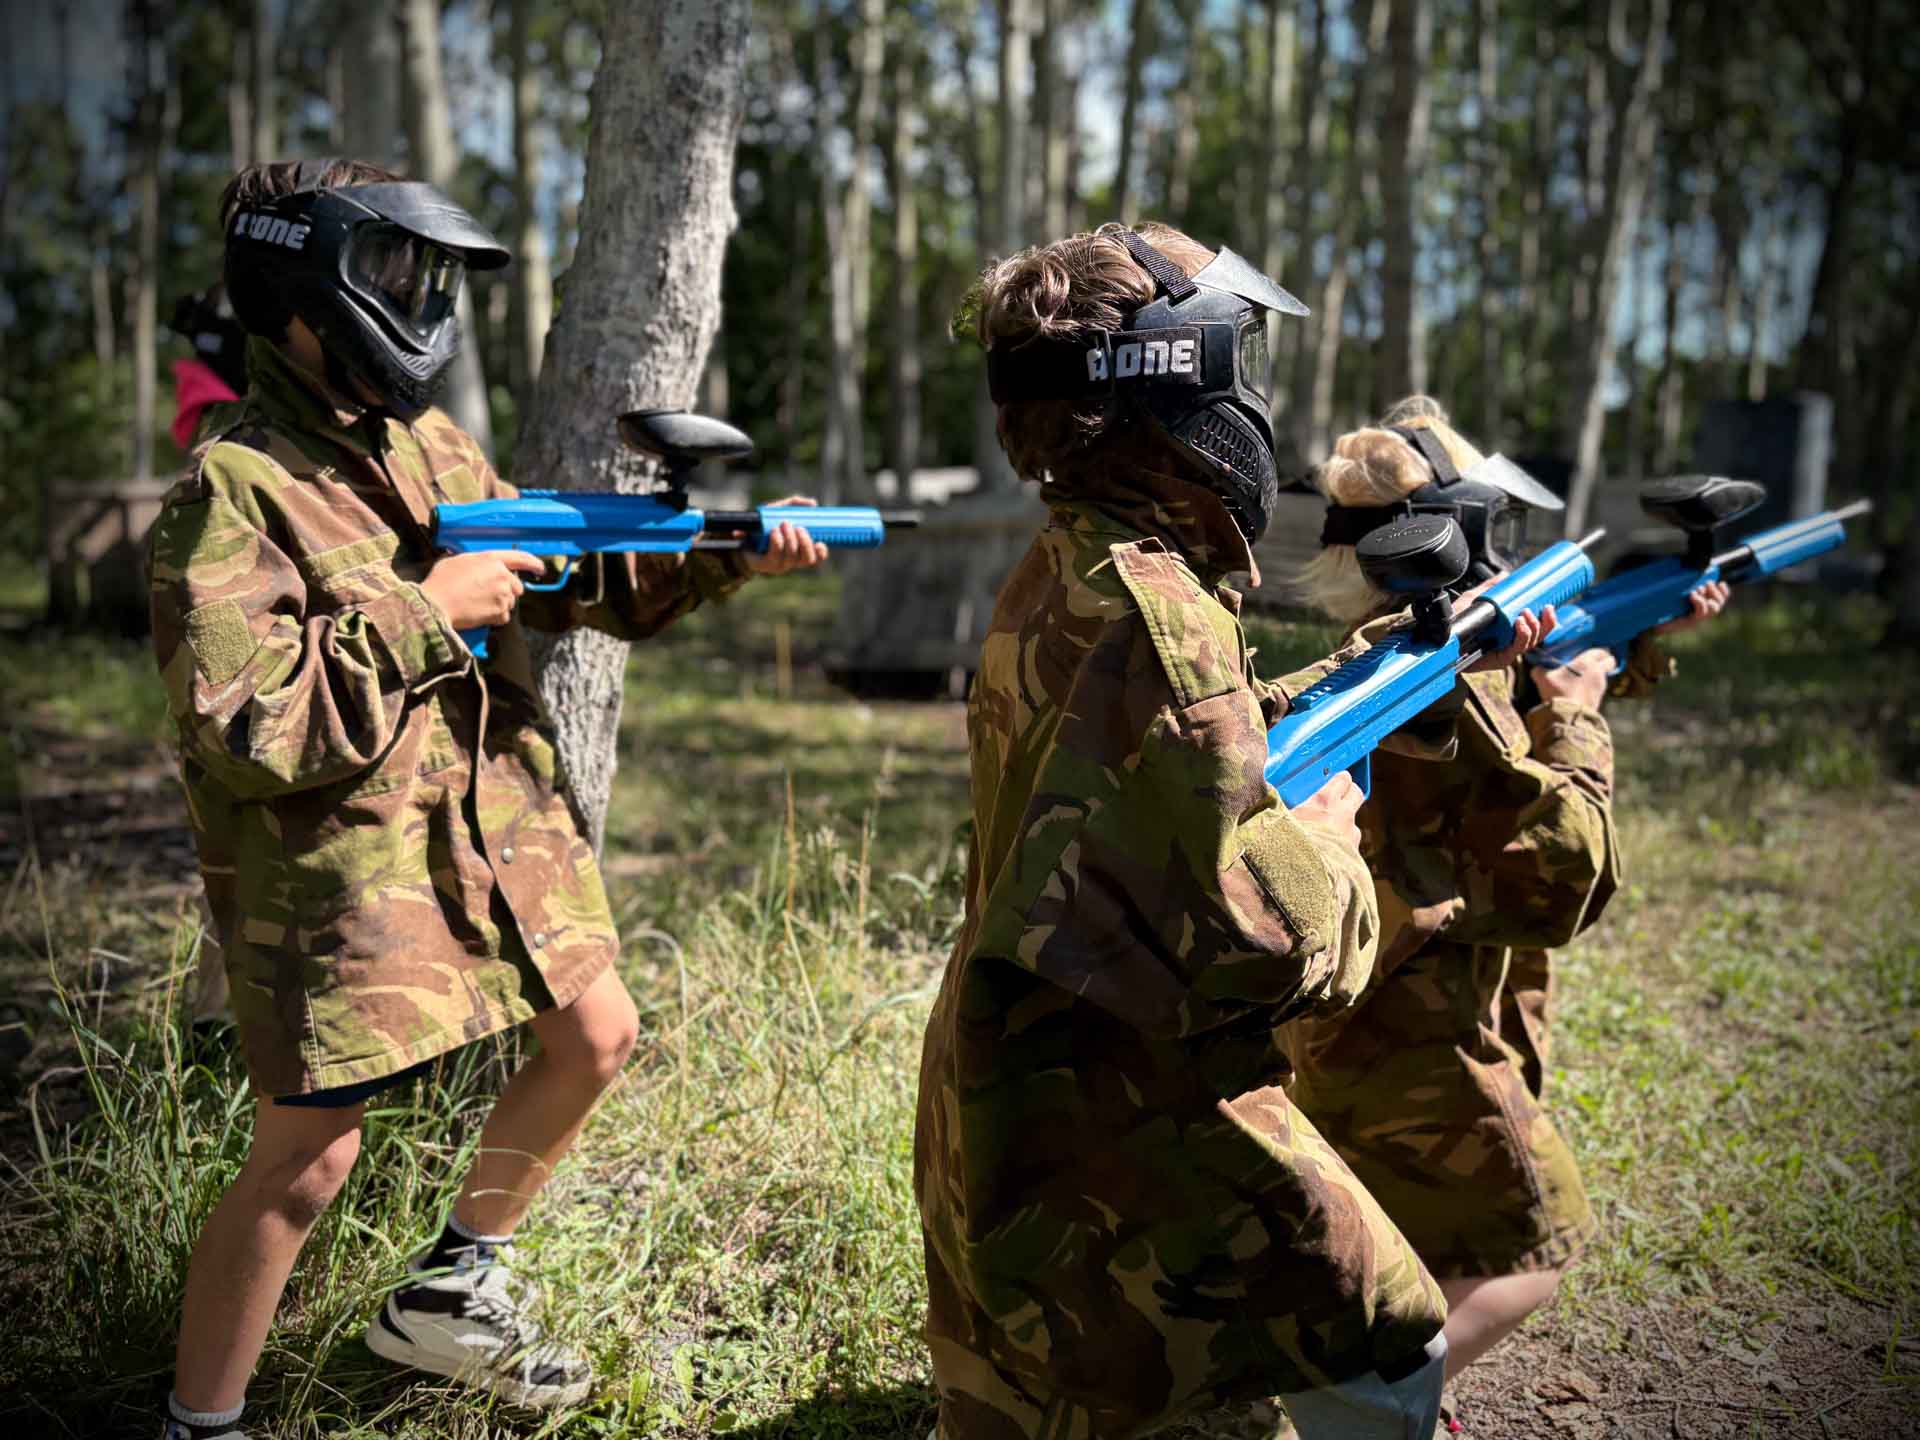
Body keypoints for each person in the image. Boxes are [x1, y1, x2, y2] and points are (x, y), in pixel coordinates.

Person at [148, 158, 826, 1440]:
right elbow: (242, 726)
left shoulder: (433, 446)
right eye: (393, 273)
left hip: (495, 841)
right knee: (309, 1163)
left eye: (430, 278)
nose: (418, 300)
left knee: (596, 1035)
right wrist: (426, 610)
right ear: (299, 289)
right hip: (343, 878)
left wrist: (720, 551)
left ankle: (448, 1294)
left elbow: (569, 581)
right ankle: (204, 1418)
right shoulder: (230, 492)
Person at [913, 225, 1555, 1440]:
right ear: (1173, 378)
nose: (1249, 396)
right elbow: (1254, 938)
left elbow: (1153, 760)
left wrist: (1368, 680)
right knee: (1390, 1337)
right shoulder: (1161, 613)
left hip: (1011, 1082)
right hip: (1134, 1106)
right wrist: (1320, 836)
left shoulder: (1074, 562)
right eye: (1234, 356)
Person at [1287, 397, 1728, 1412]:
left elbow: (1503, 739)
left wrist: (1630, 643)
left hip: (1359, 1024)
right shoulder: (1456, 685)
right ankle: (1364, 1404)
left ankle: (1373, 1389)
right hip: (1433, 1034)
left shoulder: (1385, 658)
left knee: (1391, 1243)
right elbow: (1563, 870)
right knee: (1536, 1244)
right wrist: (1578, 716)